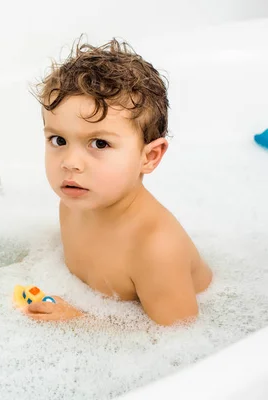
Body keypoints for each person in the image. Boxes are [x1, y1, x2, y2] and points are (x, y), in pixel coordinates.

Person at [25, 38, 213, 326]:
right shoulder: (72, 203)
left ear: (149, 157)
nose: (70, 162)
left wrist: (77, 320)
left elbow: (178, 339)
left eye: (99, 143)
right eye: (58, 140)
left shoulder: (155, 248)